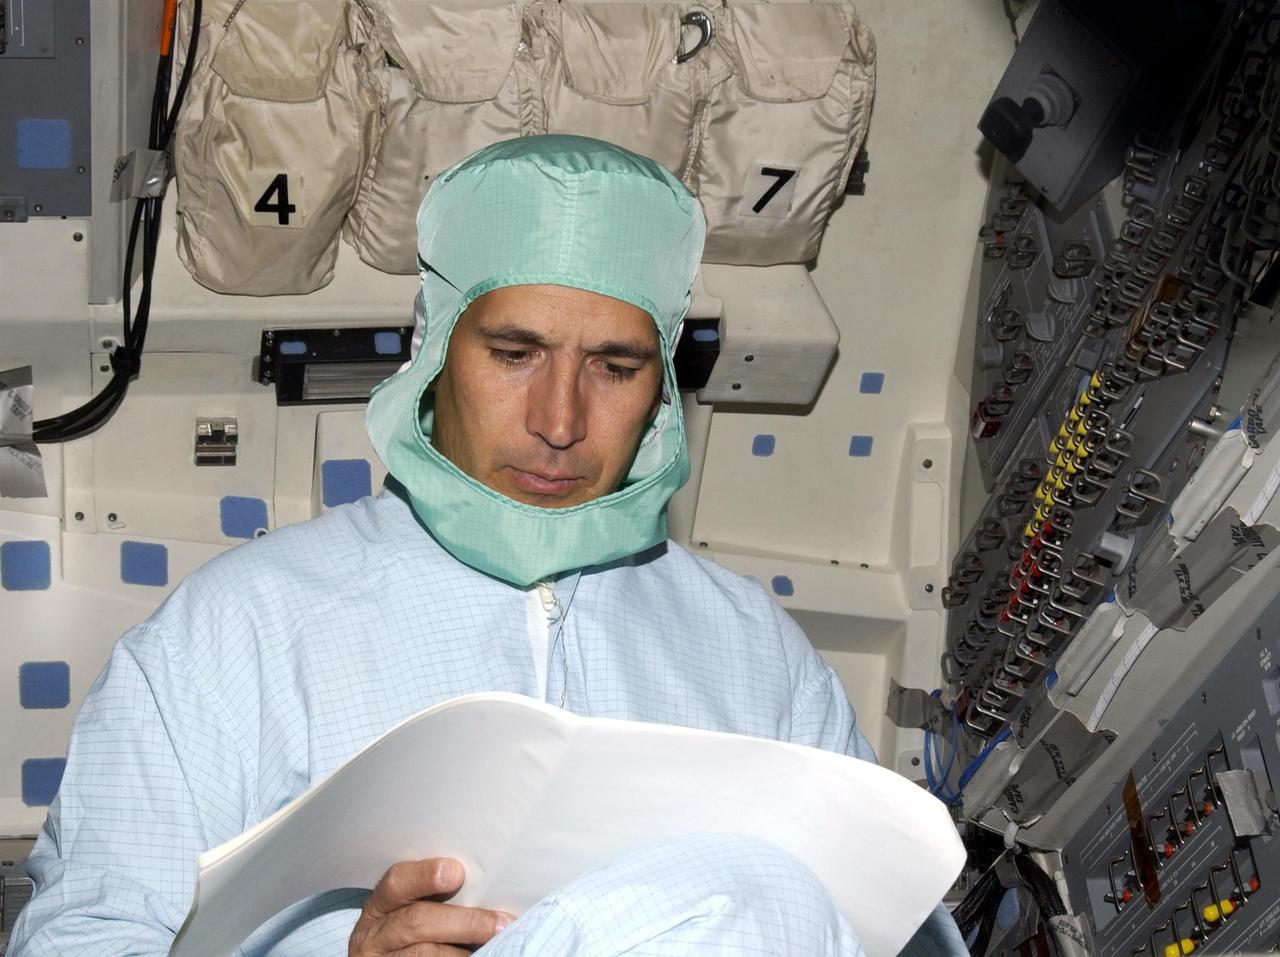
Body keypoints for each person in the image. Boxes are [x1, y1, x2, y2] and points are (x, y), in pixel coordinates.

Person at [9, 135, 964, 956]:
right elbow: (84, 938)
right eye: (514, 354)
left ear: (662, 387)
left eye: (616, 367)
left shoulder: (758, 656)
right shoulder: (232, 634)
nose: (560, 419)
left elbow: (891, 920)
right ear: (432, 349)